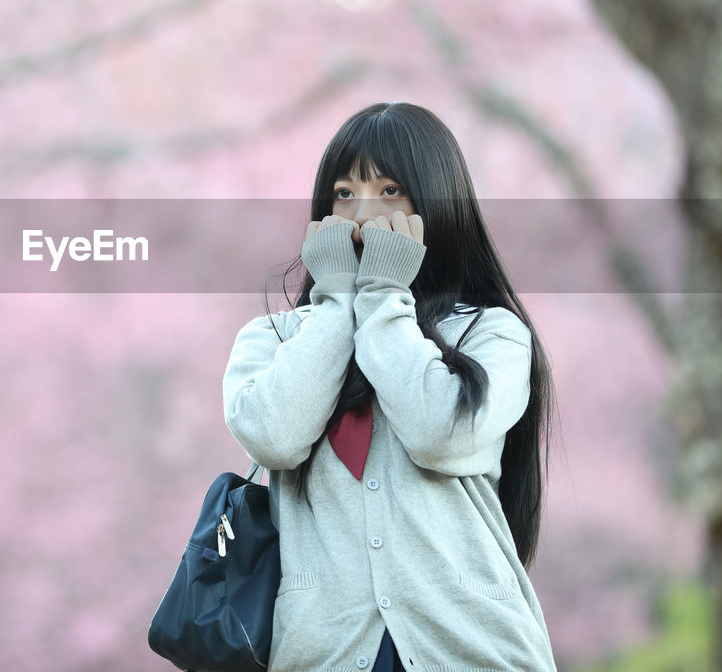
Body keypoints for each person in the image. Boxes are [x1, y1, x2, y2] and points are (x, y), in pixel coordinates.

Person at [222, 101, 560, 671]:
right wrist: (334, 307)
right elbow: (274, 437)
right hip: (322, 651)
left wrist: (381, 295)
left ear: (435, 203)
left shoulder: (490, 334)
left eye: (389, 192)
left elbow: (439, 434)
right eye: (344, 193)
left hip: (472, 648)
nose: (362, 213)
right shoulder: (274, 338)